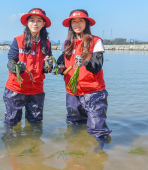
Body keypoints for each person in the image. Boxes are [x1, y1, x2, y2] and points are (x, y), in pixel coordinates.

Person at [54, 9, 112, 140]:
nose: (77, 24)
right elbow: (61, 63)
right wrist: (58, 68)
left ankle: (99, 155)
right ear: (70, 25)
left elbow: (97, 66)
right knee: (74, 126)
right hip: (72, 93)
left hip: (93, 93)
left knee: (98, 129)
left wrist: (85, 62)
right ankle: (77, 152)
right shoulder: (67, 44)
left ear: (86, 23)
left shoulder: (96, 41)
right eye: (74, 21)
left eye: (81, 21)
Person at [3, 8, 53, 126]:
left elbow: (47, 65)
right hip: (16, 88)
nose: (35, 23)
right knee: (12, 123)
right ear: (27, 22)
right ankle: (13, 144)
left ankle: (34, 143)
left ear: (44, 23)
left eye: (39, 20)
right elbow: (11, 60)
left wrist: (50, 67)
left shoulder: (47, 43)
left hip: (37, 89)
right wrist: (14, 67)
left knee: (35, 123)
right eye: (32, 20)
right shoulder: (18, 40)